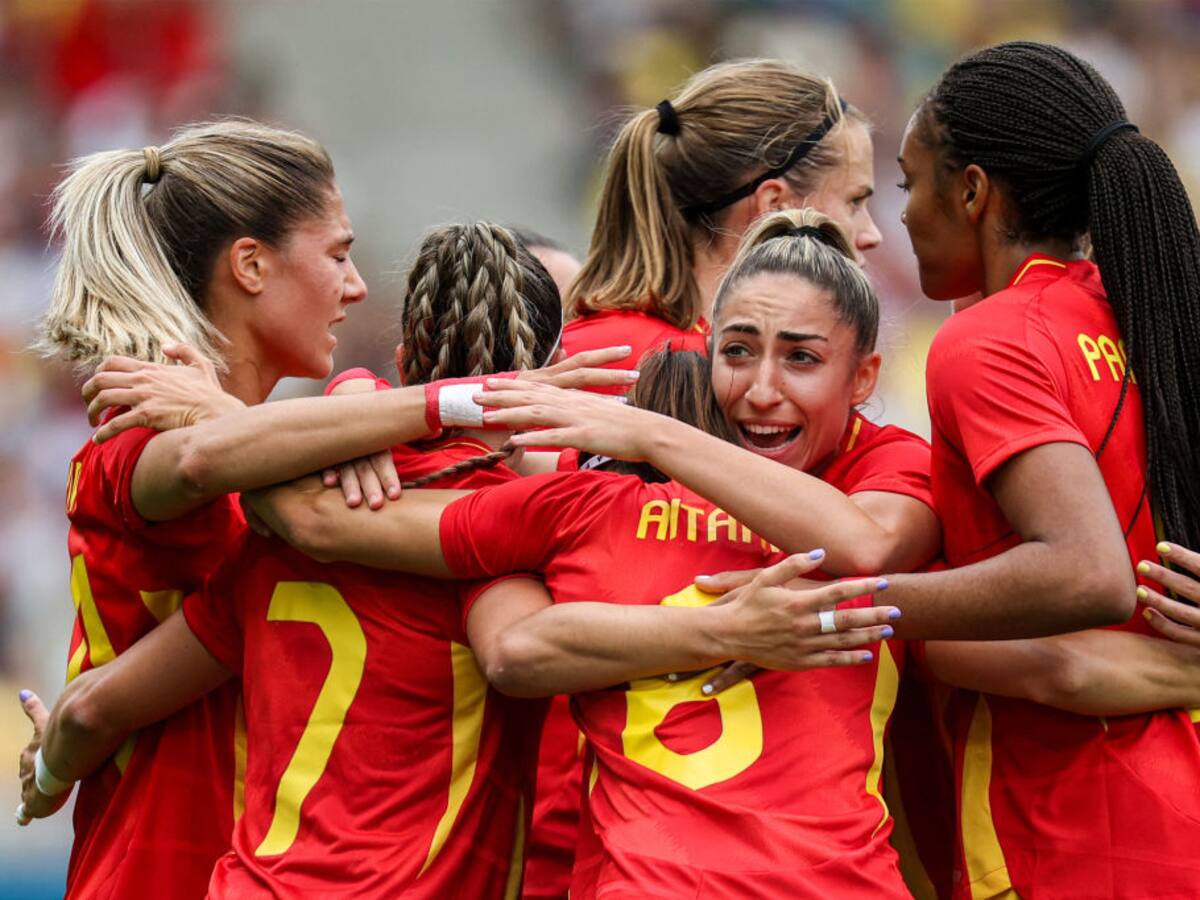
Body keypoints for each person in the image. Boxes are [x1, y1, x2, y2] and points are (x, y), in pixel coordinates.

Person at [18, 224, 892, 896]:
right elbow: (516, 653)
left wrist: (249, 411)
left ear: (404, 361)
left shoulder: (286, 537)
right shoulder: (530, 544)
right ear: (546, 379)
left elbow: (99, 705)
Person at [24, 118, 367, 900]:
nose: (356, 287)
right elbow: (195, 462)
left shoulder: (268, 457)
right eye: (339, 256)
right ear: (250, 264)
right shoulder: (141, 442)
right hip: (163, 874)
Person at [890, 40, 1200, 896]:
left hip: (1069, 832)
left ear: (974, 191)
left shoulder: (992, 340)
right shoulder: (1156, 313)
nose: (902, 213)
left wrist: (848, 605)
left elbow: (1086, 573)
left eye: (909, 180)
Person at [561, 58, 881, 391]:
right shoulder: (638, 363)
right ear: (774, 206)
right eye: (854, 202)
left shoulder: (617, 345)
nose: (873, 235)